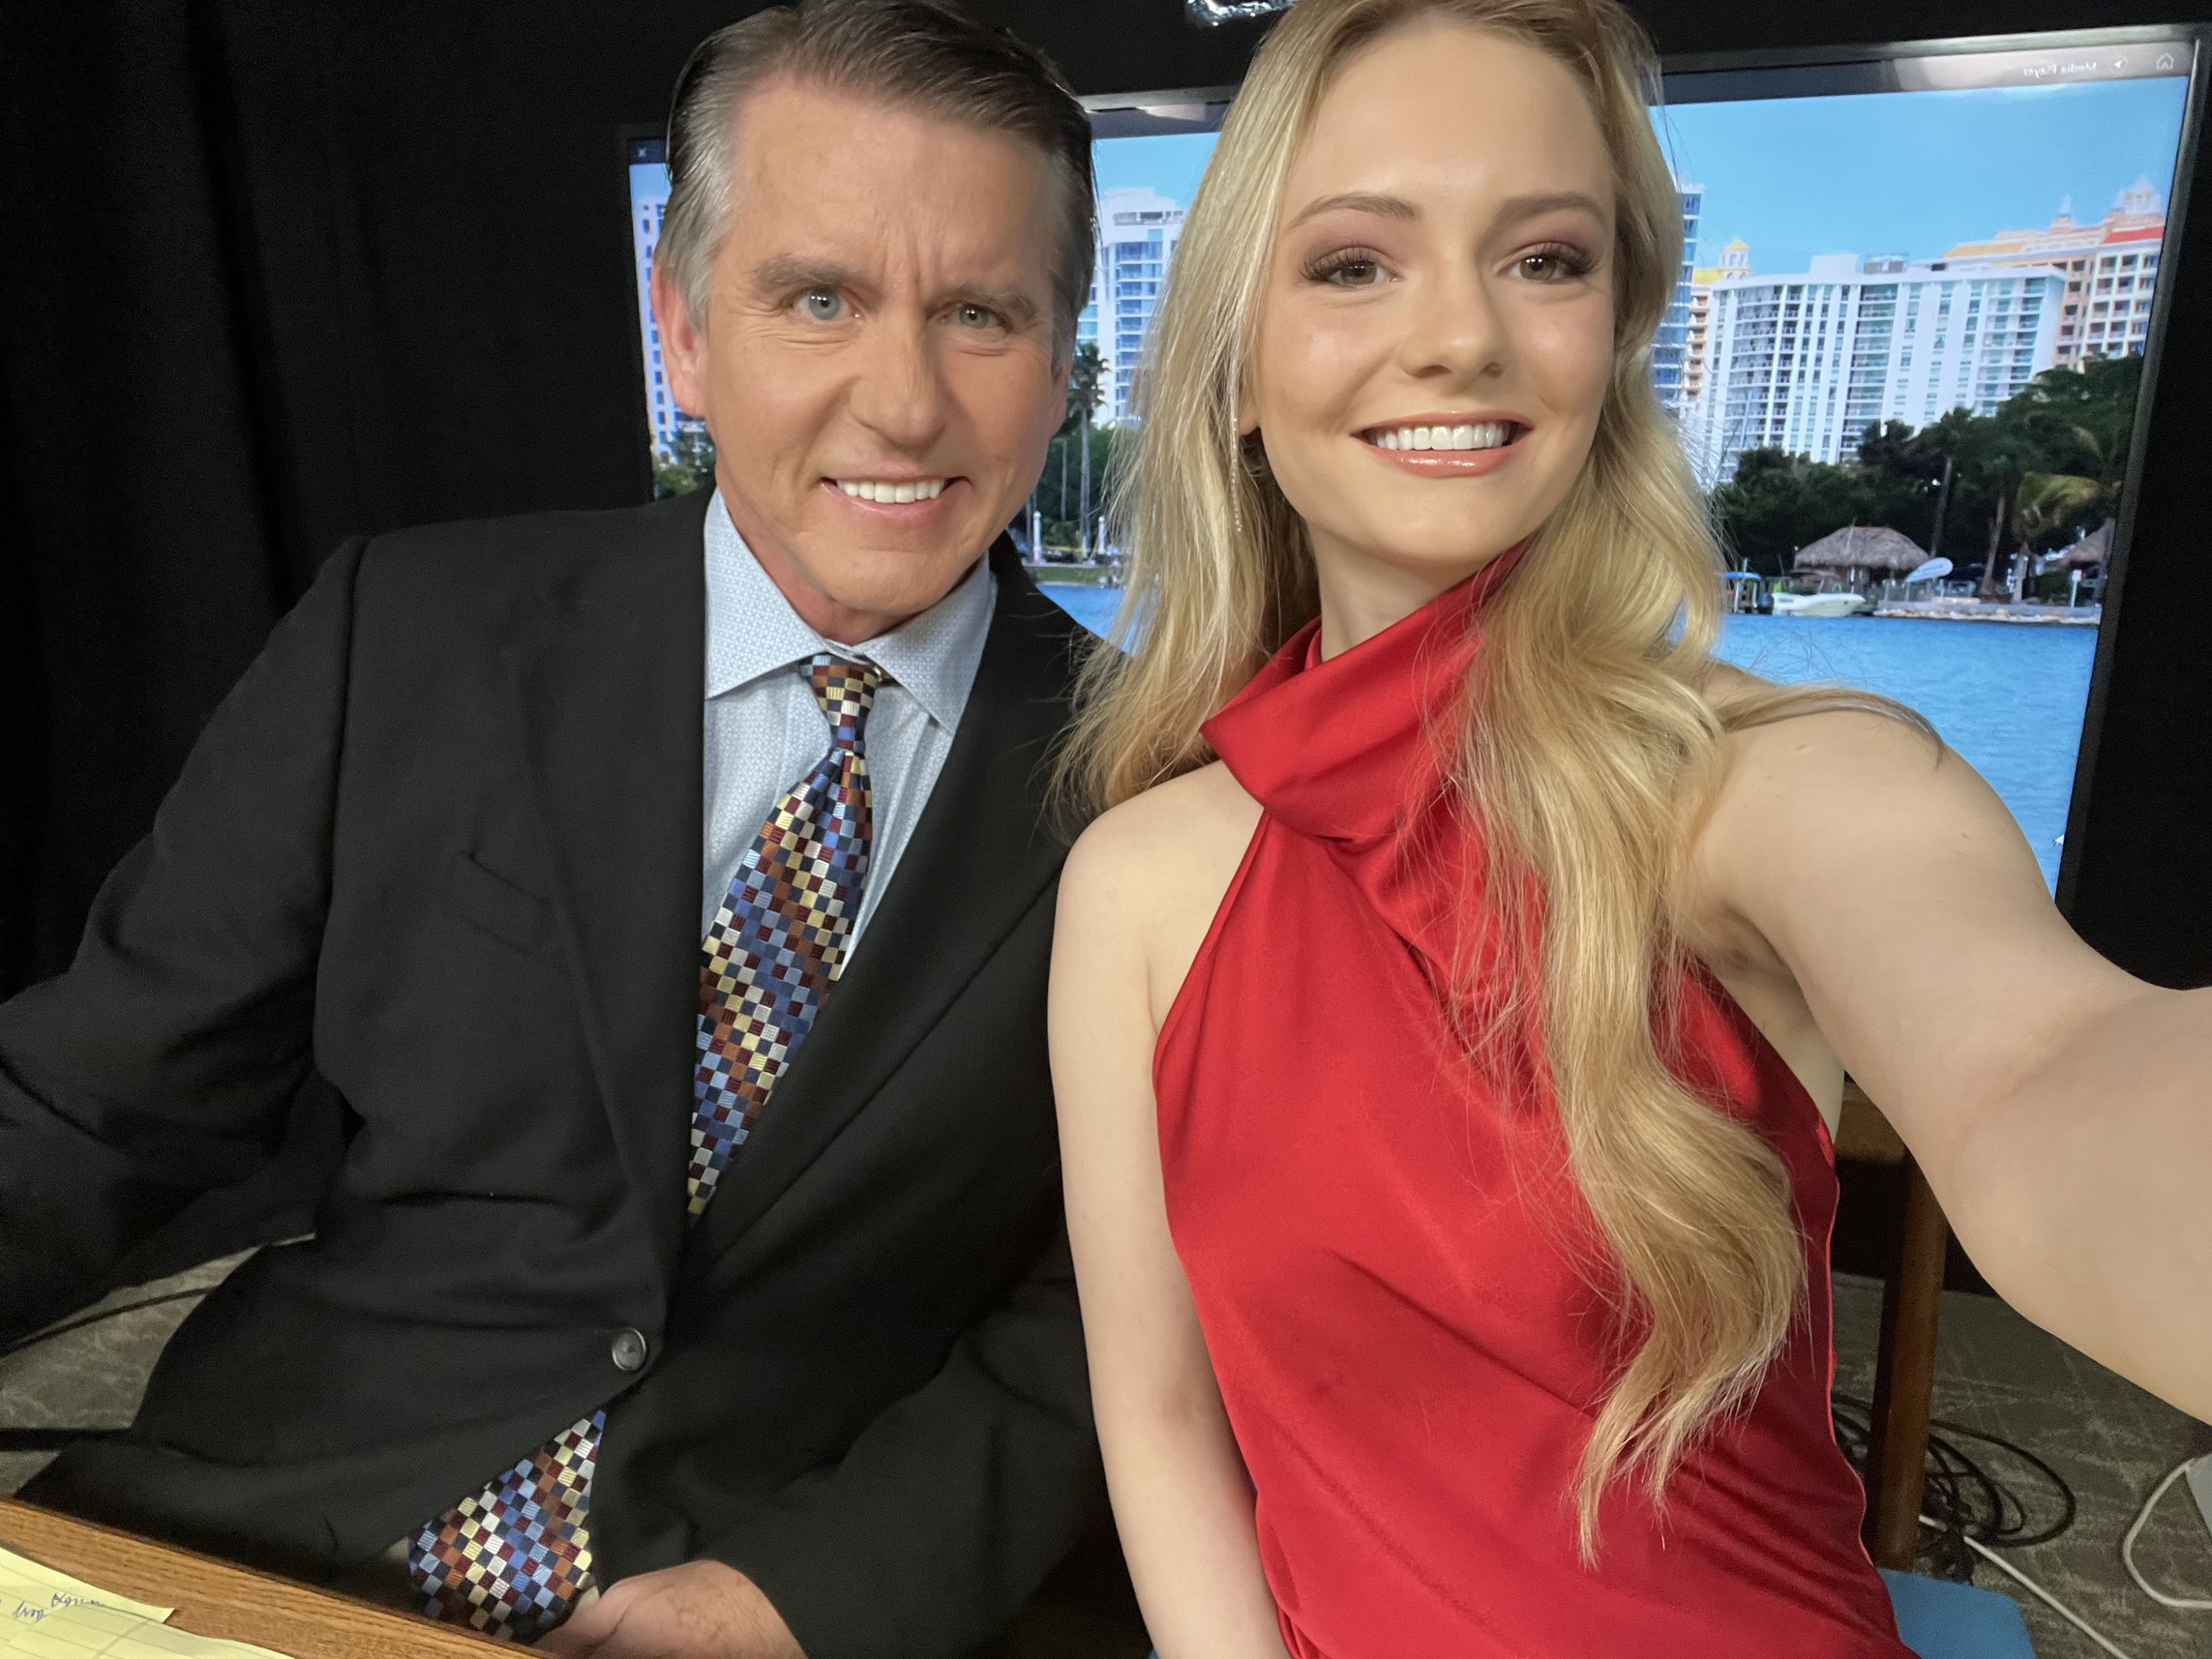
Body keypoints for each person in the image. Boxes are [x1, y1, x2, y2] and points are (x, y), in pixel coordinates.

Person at [1048, 2, 2212, 1656]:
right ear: (1235, 364)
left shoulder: (1768, 782)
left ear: (1613, 338)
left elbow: (2047, 1074)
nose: (1459, 335)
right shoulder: (1138, 886)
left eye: (1543, 260)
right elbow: (1163, 1417)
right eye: (1354, 264)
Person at [0, 4, 1107, 1655]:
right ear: (685, 331)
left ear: (1066, 359)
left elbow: (1108, 1311)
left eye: (980, 314)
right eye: (818, 298)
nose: (902, 402)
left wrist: (809, 1592)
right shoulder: (410, 635)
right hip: (277, 1533)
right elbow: (94, 1105)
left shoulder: (1151, 775)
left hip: (772, 1585)